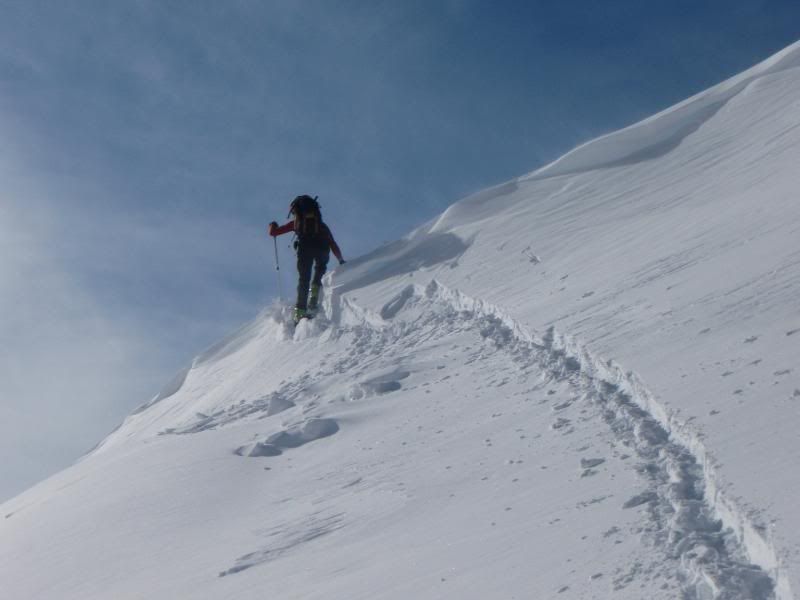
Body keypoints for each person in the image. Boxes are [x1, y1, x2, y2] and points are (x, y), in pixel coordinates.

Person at [268, 195, 345, 322]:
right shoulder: (322, 226)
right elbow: (333, 243)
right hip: (322, 248)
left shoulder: (296, 223)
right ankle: (314, 293)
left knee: (304, 279)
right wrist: (340, 259)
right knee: (320, 268)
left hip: (305, 249)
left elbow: (273, 233)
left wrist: (272, 226)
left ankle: (299, 312)